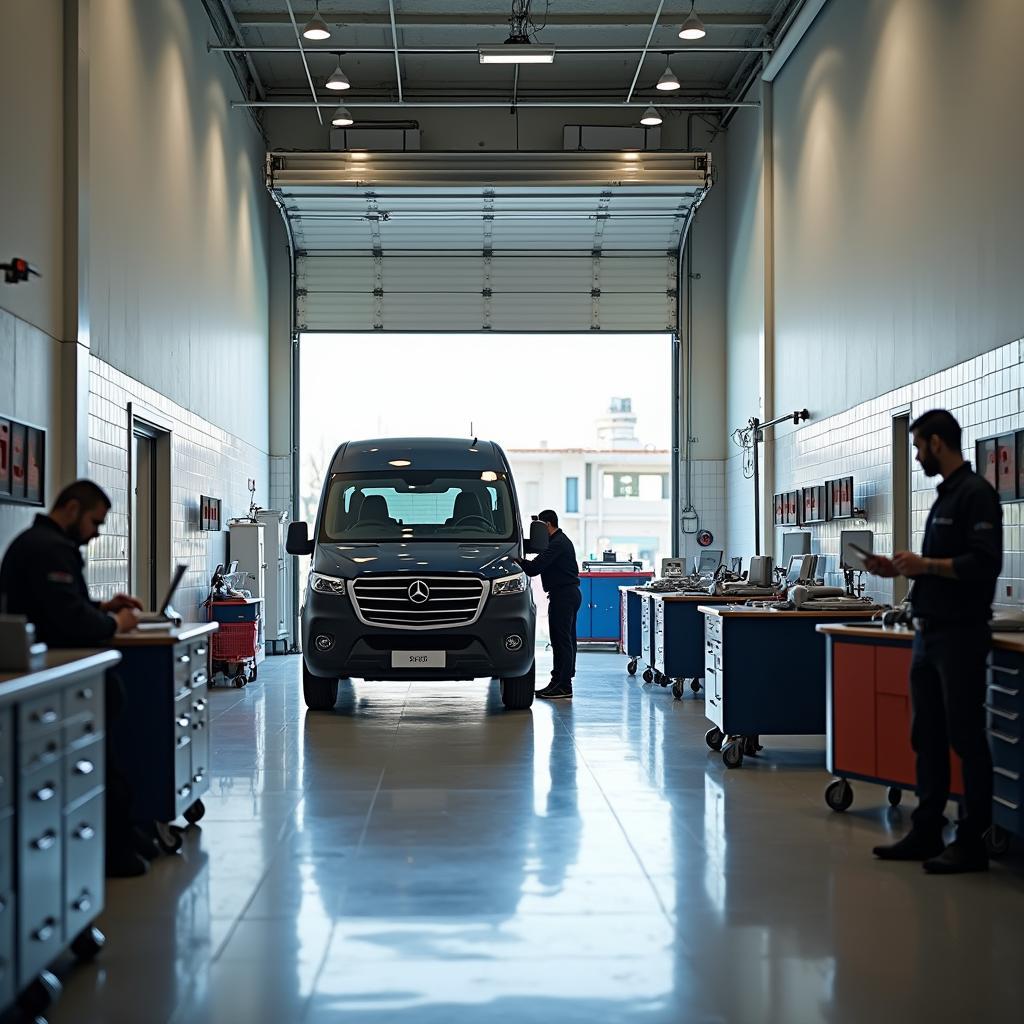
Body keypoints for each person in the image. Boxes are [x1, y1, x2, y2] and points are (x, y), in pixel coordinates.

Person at [866, 410, 1001, 874]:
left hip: (960, 635)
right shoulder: (944, 497)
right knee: (927, 736)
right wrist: (898, 568)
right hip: (928, 633)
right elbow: (936, 565)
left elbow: (984, 565)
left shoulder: (976, 495)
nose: (918, 454)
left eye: (920, 446)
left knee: (965, 738)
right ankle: (926, 832)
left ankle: (971, 841)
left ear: (938, 443)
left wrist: (926, 566)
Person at [0, 479, 147, 876]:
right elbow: (71, 623)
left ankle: (122, 843)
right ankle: (118, 852)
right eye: (95, 522)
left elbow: (56, 606)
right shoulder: (49, 550)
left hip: (50, 667)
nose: (97, 531)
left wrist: (102, 605)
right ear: (71, 509)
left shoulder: (35, 545)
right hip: (54, 673)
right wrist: (117, 621)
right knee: (103, 768)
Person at [514, 510, 581, 700]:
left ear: (548, 525)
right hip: (565, 594)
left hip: (564, 595)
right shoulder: (555, 542)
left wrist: (518, 560)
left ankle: (564, 685)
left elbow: (535, 568)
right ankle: (557, 681)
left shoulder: (558, 544)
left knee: (562, 642)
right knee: (563, 640)